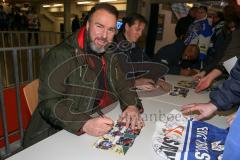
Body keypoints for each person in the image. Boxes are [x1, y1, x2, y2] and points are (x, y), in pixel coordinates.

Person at [23, 3, 144, 148]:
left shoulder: (110, 52)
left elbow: (122, 82)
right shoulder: (60, 55)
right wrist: (84, 123)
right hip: (55, 133)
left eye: (110, 29)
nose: (104, 36)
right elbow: (48, 103)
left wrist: (131, 105)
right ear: (87, 25)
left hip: (93, 119)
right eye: (99, 26)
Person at [114, 13, 167, 91]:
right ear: (127, 27)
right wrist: (134, 82)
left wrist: (159, 78)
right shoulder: (114, 47)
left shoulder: (135, 47)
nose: (140, 34)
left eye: (142, 30)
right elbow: (111, 78)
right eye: (137, 29)